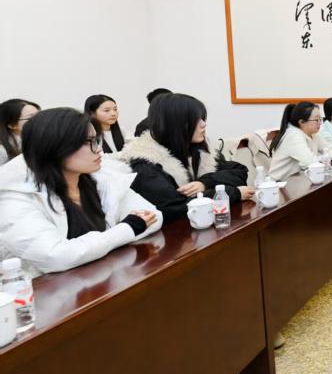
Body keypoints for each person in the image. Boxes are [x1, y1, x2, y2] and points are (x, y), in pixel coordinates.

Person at [0, 108, 162, 278]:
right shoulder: (14, 198)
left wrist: (105, 242)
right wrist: (127, 229)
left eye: (97, 140)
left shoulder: (99, 178)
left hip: (108, 278)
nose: (98, 149)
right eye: (88, 142)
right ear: (55, 148)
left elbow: (153, 216)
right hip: (51, 291)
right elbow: (56, 257)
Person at [117, 93, 252, 222]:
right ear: (174, 124)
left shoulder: (199, 150)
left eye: (202, 118)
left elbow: (239, 172)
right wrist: (232, 194)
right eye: (195, 120)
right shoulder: (146, 164)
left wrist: (204, 183)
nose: (203, 124)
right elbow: (176, 208)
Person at [268, 101, 332, 181]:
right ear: (302, 122)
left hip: (297, 181)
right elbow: (311, 162)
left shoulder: (313, 134)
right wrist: (324, 158)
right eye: (316, 120)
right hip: (278, 185)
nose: (320, 123)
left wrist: (323, 158)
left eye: (320, 119)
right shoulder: (293, 135)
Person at [0, 99, 40, 166]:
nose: (40, 121)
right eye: (31, 118)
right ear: (12, 124)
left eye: (40, 116)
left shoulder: (35, 142)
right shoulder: (2, 152)